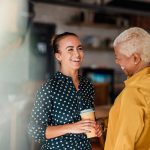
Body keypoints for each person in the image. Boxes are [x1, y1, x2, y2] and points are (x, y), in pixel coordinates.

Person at [28, 32, 102, 150]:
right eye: (70, 49)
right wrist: (71, 127)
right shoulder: (49, 88)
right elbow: (35, 130)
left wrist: (97, 126)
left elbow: (90, 118)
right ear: (58, 56)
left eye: (79, 48)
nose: (77, 54)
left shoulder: (87, 85)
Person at [104, 27, 150, 150]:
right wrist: (105, 124)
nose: (117, 62)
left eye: (118, 57)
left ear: (135, 58)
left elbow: (124, 142)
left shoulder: (133, 93)